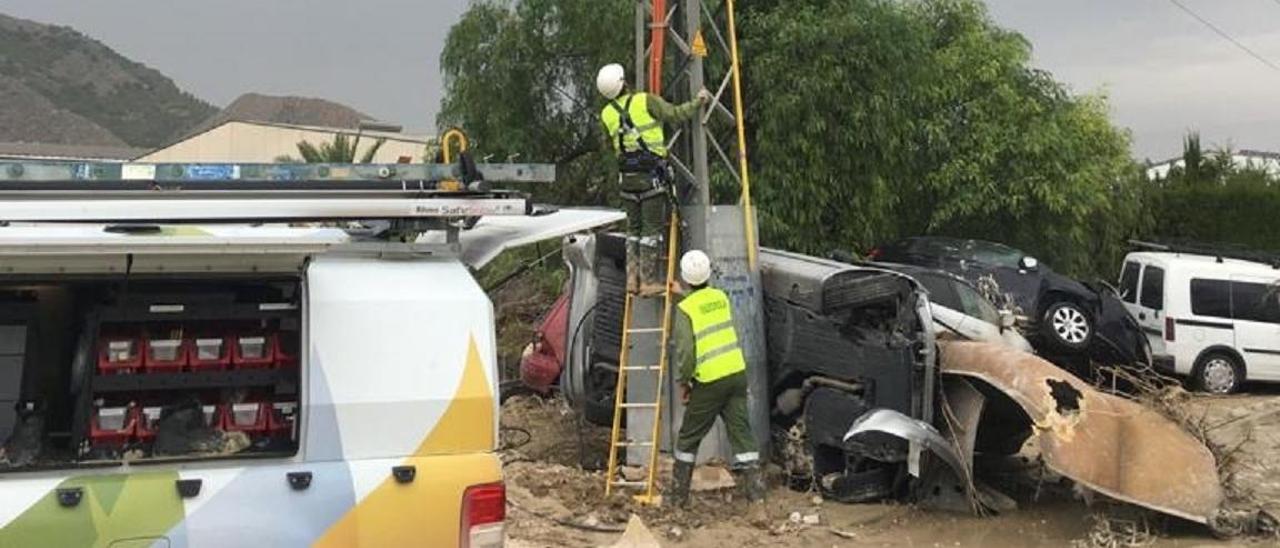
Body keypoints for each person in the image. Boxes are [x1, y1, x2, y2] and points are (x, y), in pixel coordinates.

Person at [596, 63, 712, 295]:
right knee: (650, 231)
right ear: (623, 81)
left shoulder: (606, 114)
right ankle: (648, 282)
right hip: (650, 178)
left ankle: (632, 280)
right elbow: (675, 114)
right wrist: (698, 101)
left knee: (633, 230)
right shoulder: (645, 101)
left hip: (626, 180)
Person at [667, 249, 764, 510]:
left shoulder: (685, 309)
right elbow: (705, 309)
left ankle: (677, 499)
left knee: (688, 438)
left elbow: (686, 353)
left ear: (685, 278)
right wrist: (684, 293)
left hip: (710, 382)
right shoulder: (720, 297)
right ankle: (757, 498)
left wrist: (683, 382)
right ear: (708, 274)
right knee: (742, 435)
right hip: (735, 374)